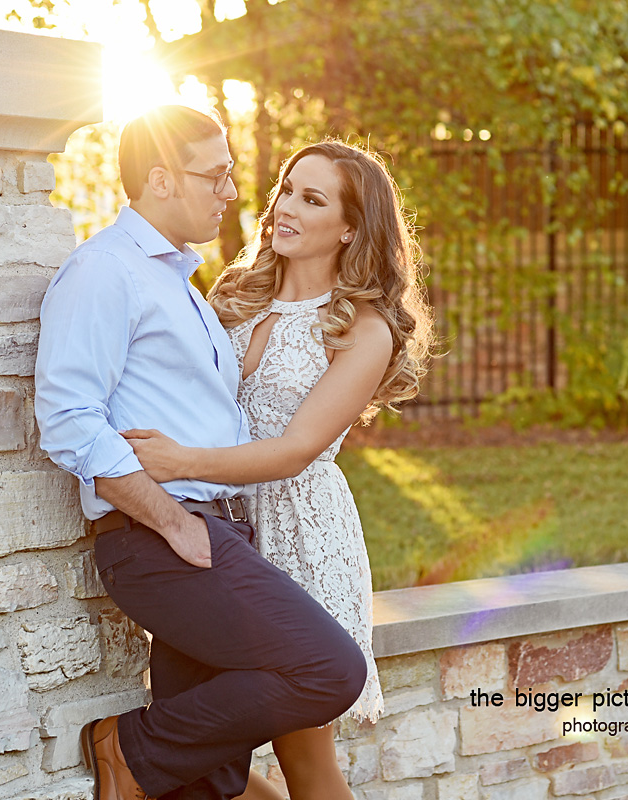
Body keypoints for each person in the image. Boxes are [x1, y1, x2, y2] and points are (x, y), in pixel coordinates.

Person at [34, 107, 367, 800]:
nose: (233, 193)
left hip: (221, 528)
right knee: (330, 670)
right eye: (215, 176)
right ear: (162, 180)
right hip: (164, 536)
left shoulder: (182, 287)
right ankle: (126, 748)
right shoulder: (105, 271)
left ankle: (144, 764)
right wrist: (173, 520)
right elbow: (69, 419)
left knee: (209, 783)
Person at [122, 140, 434, 800]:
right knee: (210, 766)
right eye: (287, 189)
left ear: (350, 229)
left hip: (301, 532)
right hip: (217, 526)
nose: (285, 207)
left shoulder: (362, 328)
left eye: (312, 199)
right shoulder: (232, 295)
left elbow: (296, 449)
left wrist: (182, 461)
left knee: (305, 759)